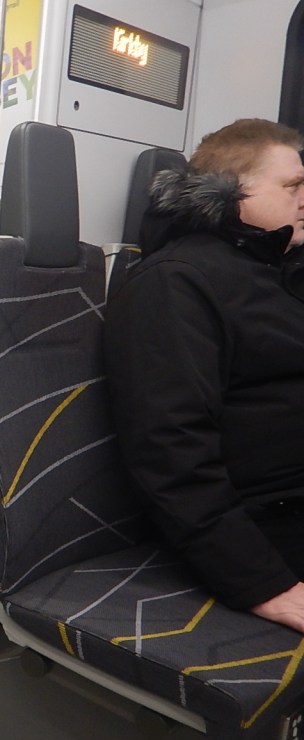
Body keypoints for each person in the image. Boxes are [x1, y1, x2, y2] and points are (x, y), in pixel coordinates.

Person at [104, 118, 304, 633]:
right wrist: (263, 583)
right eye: (293, 186)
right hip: (271, 526)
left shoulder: (278, 272)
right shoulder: (175, 283)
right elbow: (169, 447)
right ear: (232, 191)